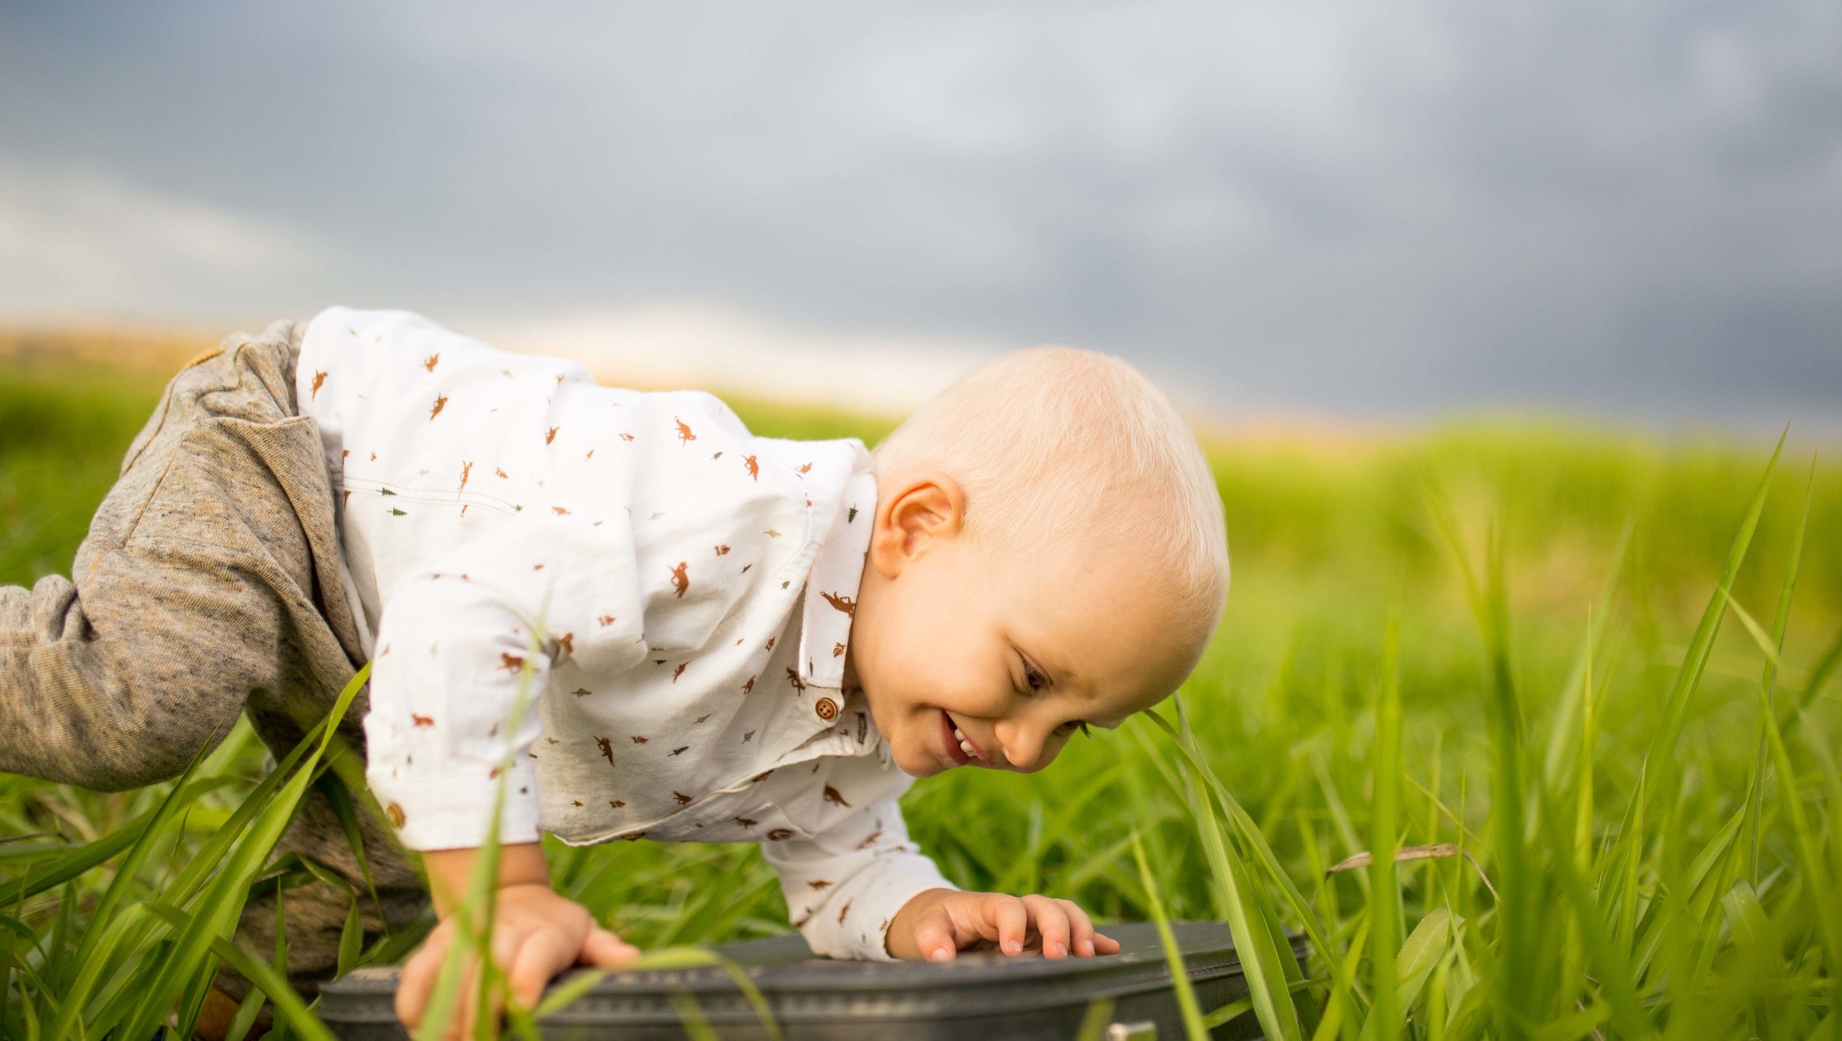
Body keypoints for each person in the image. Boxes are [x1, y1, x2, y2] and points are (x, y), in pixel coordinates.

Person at [0, 307, 1230, 1038]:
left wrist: (921, 915)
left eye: (1077, 725)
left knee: (334, 927)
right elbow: (465, 615)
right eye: (1028, 676)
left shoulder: (869, 708)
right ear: (911, 528)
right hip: (290, 459)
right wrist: (503, 889)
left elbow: (842, 866)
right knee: (126, 708)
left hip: (400, 675)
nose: (1023, 744)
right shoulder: (732, 527)